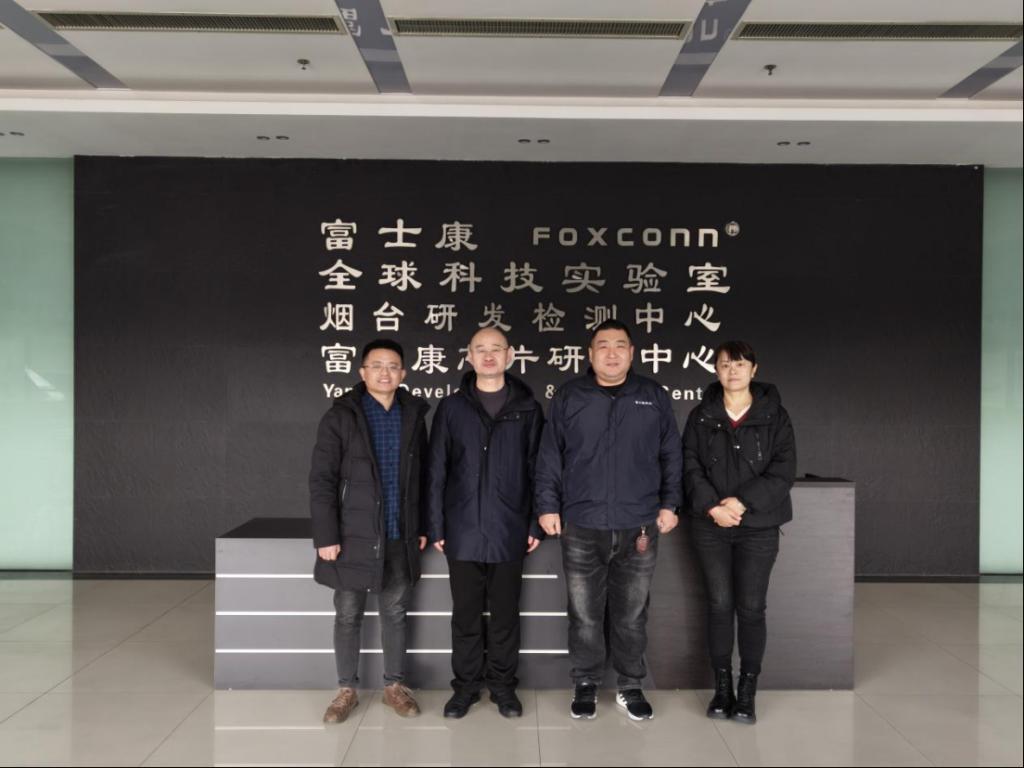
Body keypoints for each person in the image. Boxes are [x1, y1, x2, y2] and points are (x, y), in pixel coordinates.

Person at [535, 319, 683, 721]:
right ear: (590, 354)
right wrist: (547, 506)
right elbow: (550, 455)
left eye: (620, 345)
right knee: (584, 613)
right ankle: (585, 681)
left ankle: (630, 684)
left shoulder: (652, 396)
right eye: (603, 345)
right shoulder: (570, 396)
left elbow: (671, 454)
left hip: (639, 523)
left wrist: (670, 503)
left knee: (632, 613)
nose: (612, 353)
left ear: (632, 354)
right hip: (581, 523)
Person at [309, 339, 430, 724]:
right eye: (376, 365)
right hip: (352, 536)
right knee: (348, 614)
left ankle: (394, 686)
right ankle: (346, 689)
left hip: (398, 533)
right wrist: (326, 536)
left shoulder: (413, 415)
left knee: (395, 611)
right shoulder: (341, 416)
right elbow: (322, 479)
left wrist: (421, 525)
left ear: (403, 373)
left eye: (392, 366)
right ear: (362, 372)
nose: (384, 372)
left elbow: (423, 477)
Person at [426, 328, 544, 719]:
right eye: (481, 349)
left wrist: (534, 523)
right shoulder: (451, 408)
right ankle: (465, 688)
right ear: (469, 356)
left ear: (510, 355)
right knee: (465, 615)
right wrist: (437, 524)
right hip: (461, 529)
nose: (489, 356)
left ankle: (503, 688)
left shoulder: (528, 408)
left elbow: (539, 469)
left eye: (496, 349)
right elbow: (436, 469)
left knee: (506, 615)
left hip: (510, 528)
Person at [682, 340, 796, 725]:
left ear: (754, 370)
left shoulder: (775, 415)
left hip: (758, 527)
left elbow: (783, 470)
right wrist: (713, 508)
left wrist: (742, 503)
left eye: (740, 364)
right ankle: (722, 687)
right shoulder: (700, 415)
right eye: (725, 365)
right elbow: (689, 466)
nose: (733, 371)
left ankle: (747, 689)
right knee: (718, 604)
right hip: (710, 525)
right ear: (716, 370)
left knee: (751, 607)